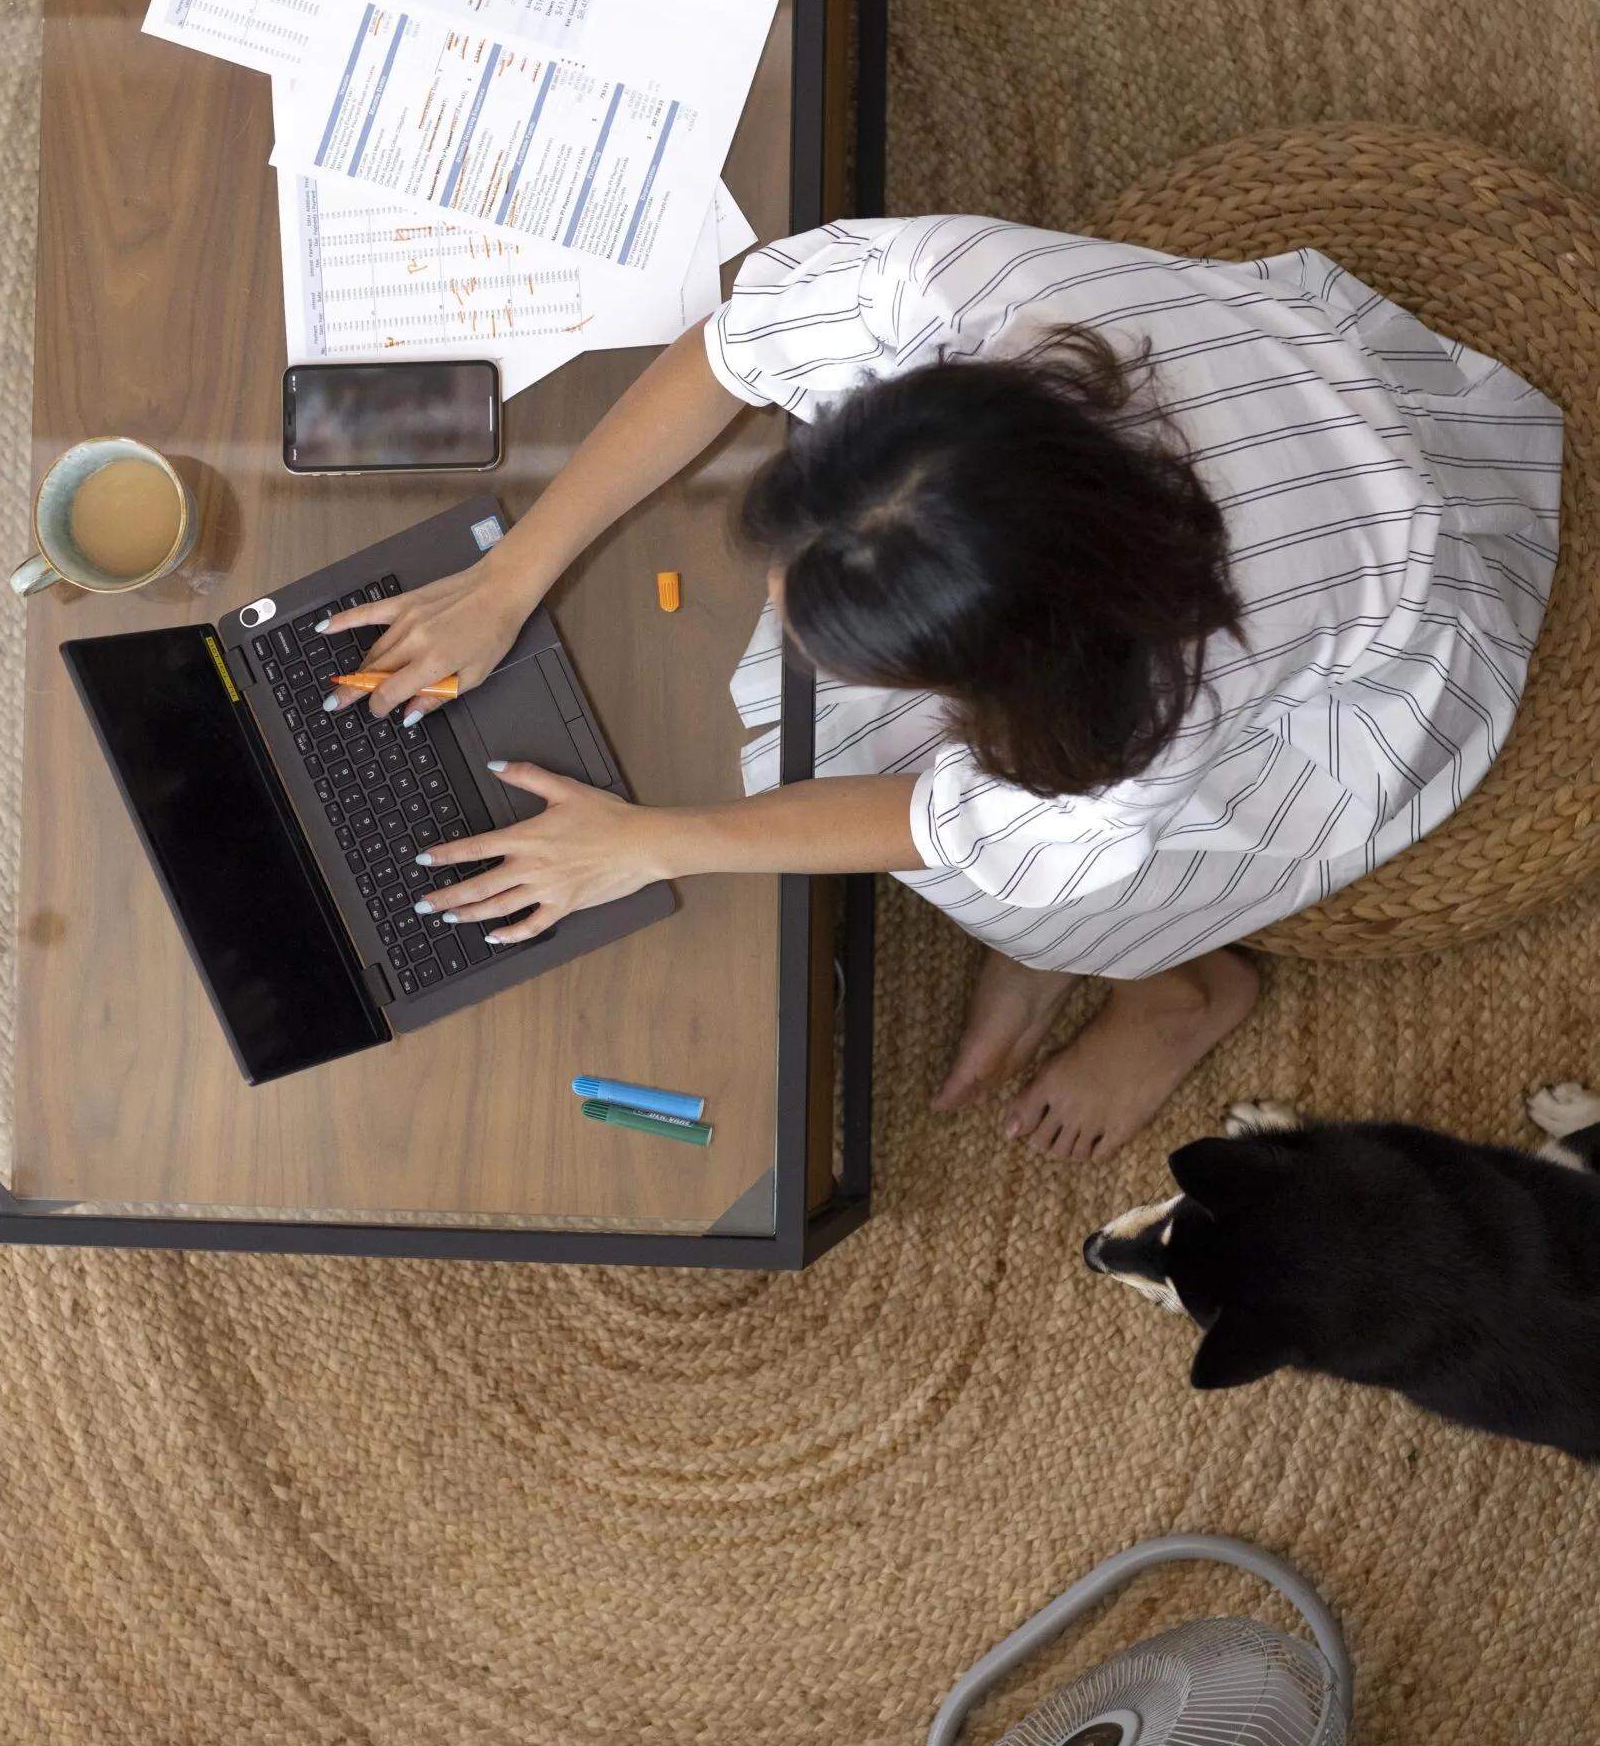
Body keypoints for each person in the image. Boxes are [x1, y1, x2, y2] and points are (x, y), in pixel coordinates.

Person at [319, 217, 1562, 1161]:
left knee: (1025, 888)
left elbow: (927, 821)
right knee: (936, 821)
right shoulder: (950, 294)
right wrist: (515, 571)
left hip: (1385, 651)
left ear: (1022, 680)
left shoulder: (1138, 719)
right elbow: (730, 348)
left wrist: (648, 845)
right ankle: (1066, 938)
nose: (775, 613)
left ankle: (1176, 984)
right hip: (1296, 411)